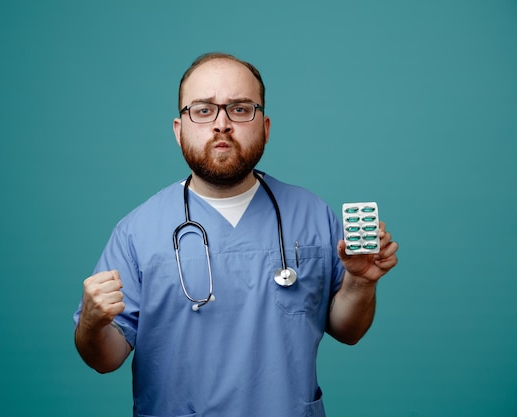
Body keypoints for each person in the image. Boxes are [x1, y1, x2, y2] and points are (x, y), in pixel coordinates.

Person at [73, 52, 399, 417]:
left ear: (266, 127)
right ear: (179, 130)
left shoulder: (313, 215)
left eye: (241, 109)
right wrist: (91, 321)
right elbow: (106, 359)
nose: (222, 124)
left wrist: (359, 281)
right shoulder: (137, 232)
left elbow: (348, 331)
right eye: (203, 109)